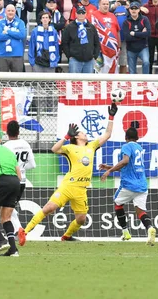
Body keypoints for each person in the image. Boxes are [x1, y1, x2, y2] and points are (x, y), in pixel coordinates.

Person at [23, 102, 116, 241]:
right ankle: (24, 232)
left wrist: (111, 117)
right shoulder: (70, 147)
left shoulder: (92, 146)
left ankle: (67, 236)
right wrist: (66, 137)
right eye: (82, 132)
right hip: (69, 186)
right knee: (49, 208)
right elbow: (54, 149)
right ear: (77, 137)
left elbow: (107, 134)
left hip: (81, 189)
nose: (85, 133)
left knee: (81, 219)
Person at [0, 120, 37, 248]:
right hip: (20, 181)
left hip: (4, 179)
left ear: (6, 133)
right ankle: (14, 233)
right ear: (19, 131)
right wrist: (22, 168)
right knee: (7, 210)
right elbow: (32, 165)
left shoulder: (4, 147)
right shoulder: (25, 144)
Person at [99, 124, 156, 245]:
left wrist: (109, 171)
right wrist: (109, 167)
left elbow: (125, 162)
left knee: (117, 203)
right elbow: (128, 167)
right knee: (141, 212)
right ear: (138, 138)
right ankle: (150, 228)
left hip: (129, 185)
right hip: (142, 185)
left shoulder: (126, 146)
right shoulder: (139, 148)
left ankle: (125, 232)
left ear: (126, 137)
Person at [61, 5, 101, 73]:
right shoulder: (69, 27)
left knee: (88, 82)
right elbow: (64, 43)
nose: (81, 14)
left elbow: (96, 43)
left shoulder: (91, 27)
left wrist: (95, 56)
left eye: (83, 13)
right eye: (79, 13)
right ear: (76, 14)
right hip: (75, 60)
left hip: (89, 60)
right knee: (74, 82)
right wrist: (69, 56)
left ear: (86, 14)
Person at [92, 0, 121, 74]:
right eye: (103, 4)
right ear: (99, 5)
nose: (106, 6)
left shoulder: (113, 16)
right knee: (100, 72)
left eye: (107, 4)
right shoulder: (93, 15)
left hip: (113, 49)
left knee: (112, 72)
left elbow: (117, 31)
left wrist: (119, 46)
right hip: (100, 49)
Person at [0, 4, 26, 72]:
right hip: (2, 55)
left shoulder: (20, 22)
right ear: (5, 12)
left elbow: (22, 35)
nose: (10, 12)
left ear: (15, 12)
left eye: (12, 11)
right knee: (2, 80)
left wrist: (8, 31)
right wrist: (15, 33)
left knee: (17, 80)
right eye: (8, 10)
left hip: (17, 54)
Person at [123, 1, 151, 74]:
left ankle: (145, 80)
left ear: (139, 10)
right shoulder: (126, 22)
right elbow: (128, 37)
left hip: (143, 47)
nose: (134, 10)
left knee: (146, 62)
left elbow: (148, 33)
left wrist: (134, 34)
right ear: (129, 10)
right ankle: (133, 85)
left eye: (136, 8)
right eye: (132, 8)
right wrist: (142, 34)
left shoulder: (145, 19)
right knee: (132, 72)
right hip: (131, 49)